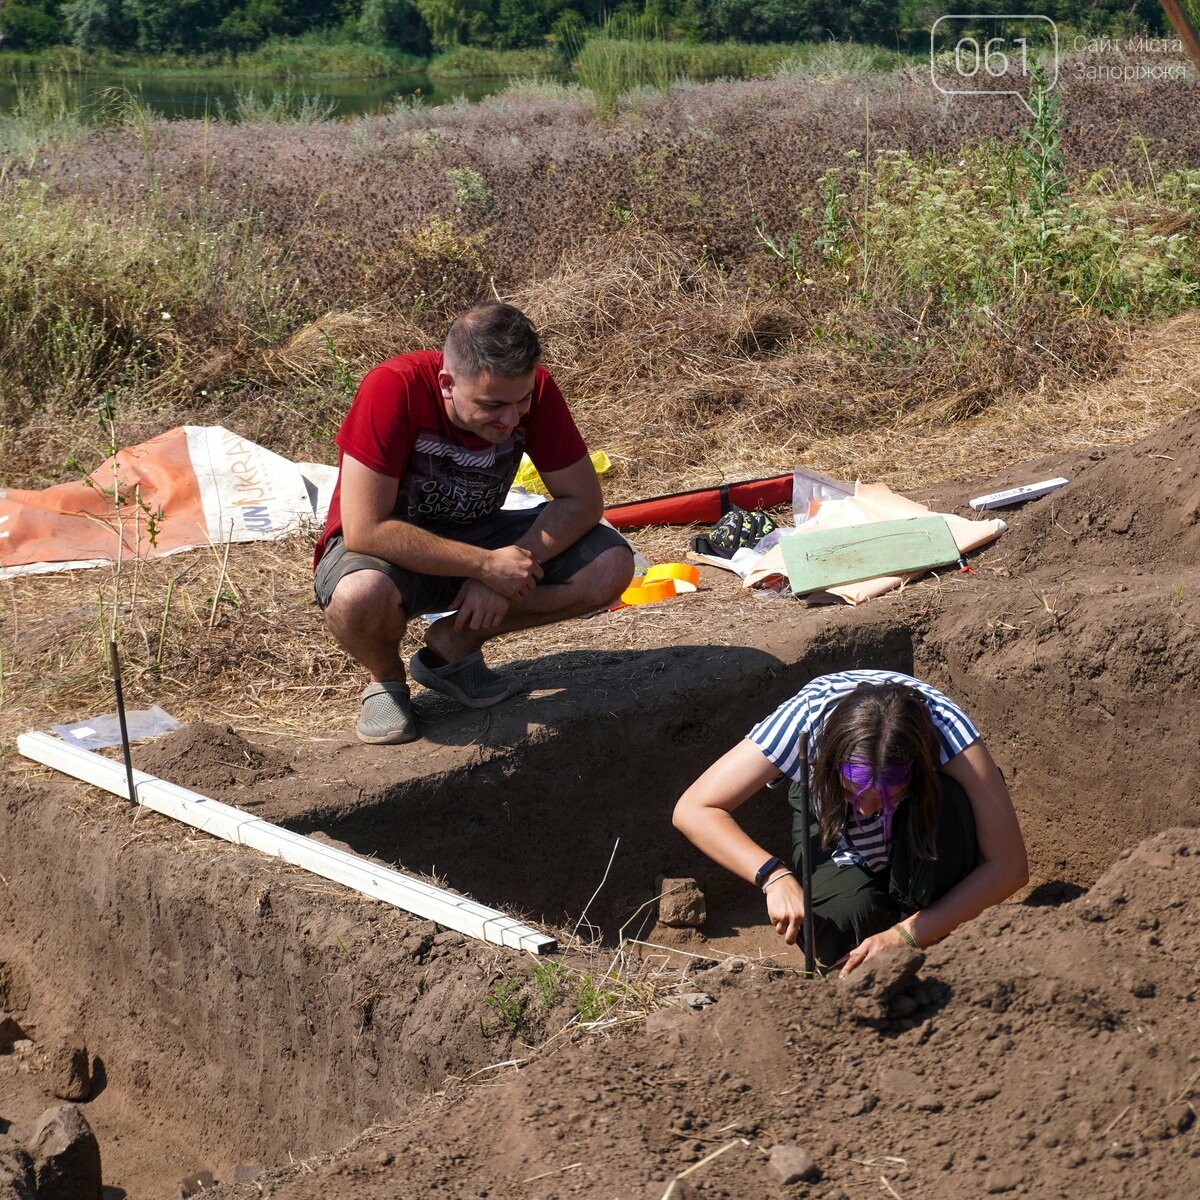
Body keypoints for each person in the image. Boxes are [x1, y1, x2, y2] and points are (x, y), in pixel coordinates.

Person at [313, 302, 635, 744]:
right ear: (447, 383)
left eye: (521, 401)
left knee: (611, 565)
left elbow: (582, 501)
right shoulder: (394, 388)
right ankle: (386, 682)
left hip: (480, 532)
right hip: (388, 549)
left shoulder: (531, 391)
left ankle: (450, 651)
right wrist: (483, 566)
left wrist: (507, 567)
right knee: (357, 595)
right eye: (492, 405)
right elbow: (365, 528)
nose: (511, 417)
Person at [672, 669, 1028, 975]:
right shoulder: (805, 718)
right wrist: (773, 876)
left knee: (932, 903)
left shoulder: (947, 731)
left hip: (926, 811)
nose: (868, 811)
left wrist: (904, 935)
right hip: (829, 817)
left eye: (887, 797)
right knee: (843, 930)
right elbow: (695, 808)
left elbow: (1009, 866)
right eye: (853, 792)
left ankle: (933, 915)